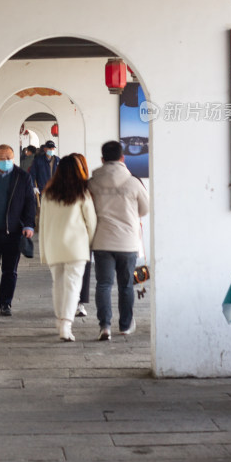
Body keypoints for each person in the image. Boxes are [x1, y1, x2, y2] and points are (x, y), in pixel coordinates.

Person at [89, 140, 149, 341]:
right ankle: (125, 325)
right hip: (127, 242)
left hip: (102, 240)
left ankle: (104, 326)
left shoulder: (92, 182)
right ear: (123, 158)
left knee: (103, 284)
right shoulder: (133, 182)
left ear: (102, 159)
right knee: (126, 285)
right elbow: (145, 210)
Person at [39, 155, 97, 342]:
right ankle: (66, 323)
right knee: (73, 285)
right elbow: (91, 222)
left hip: (54, 245)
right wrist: (88, 242)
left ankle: (60, 319)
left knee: (58, 283)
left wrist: (44, 250)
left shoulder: (48, 193)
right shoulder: (82, 192)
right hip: (76, 247)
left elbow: (44, 223)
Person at [0, 144, 36, 317]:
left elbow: (30, 202)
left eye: (8, 158)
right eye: (2, 158)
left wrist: (28, 225)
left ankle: (5, 303)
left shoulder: (22, 177)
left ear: (13, 158)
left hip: (13, 231)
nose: (5, 161)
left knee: (9, 269)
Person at [71, 153, 92, 318]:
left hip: (83, 236)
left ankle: (80, 303)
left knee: (83, 270)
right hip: (66, 236)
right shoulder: (59, 187)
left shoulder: (89, 187)